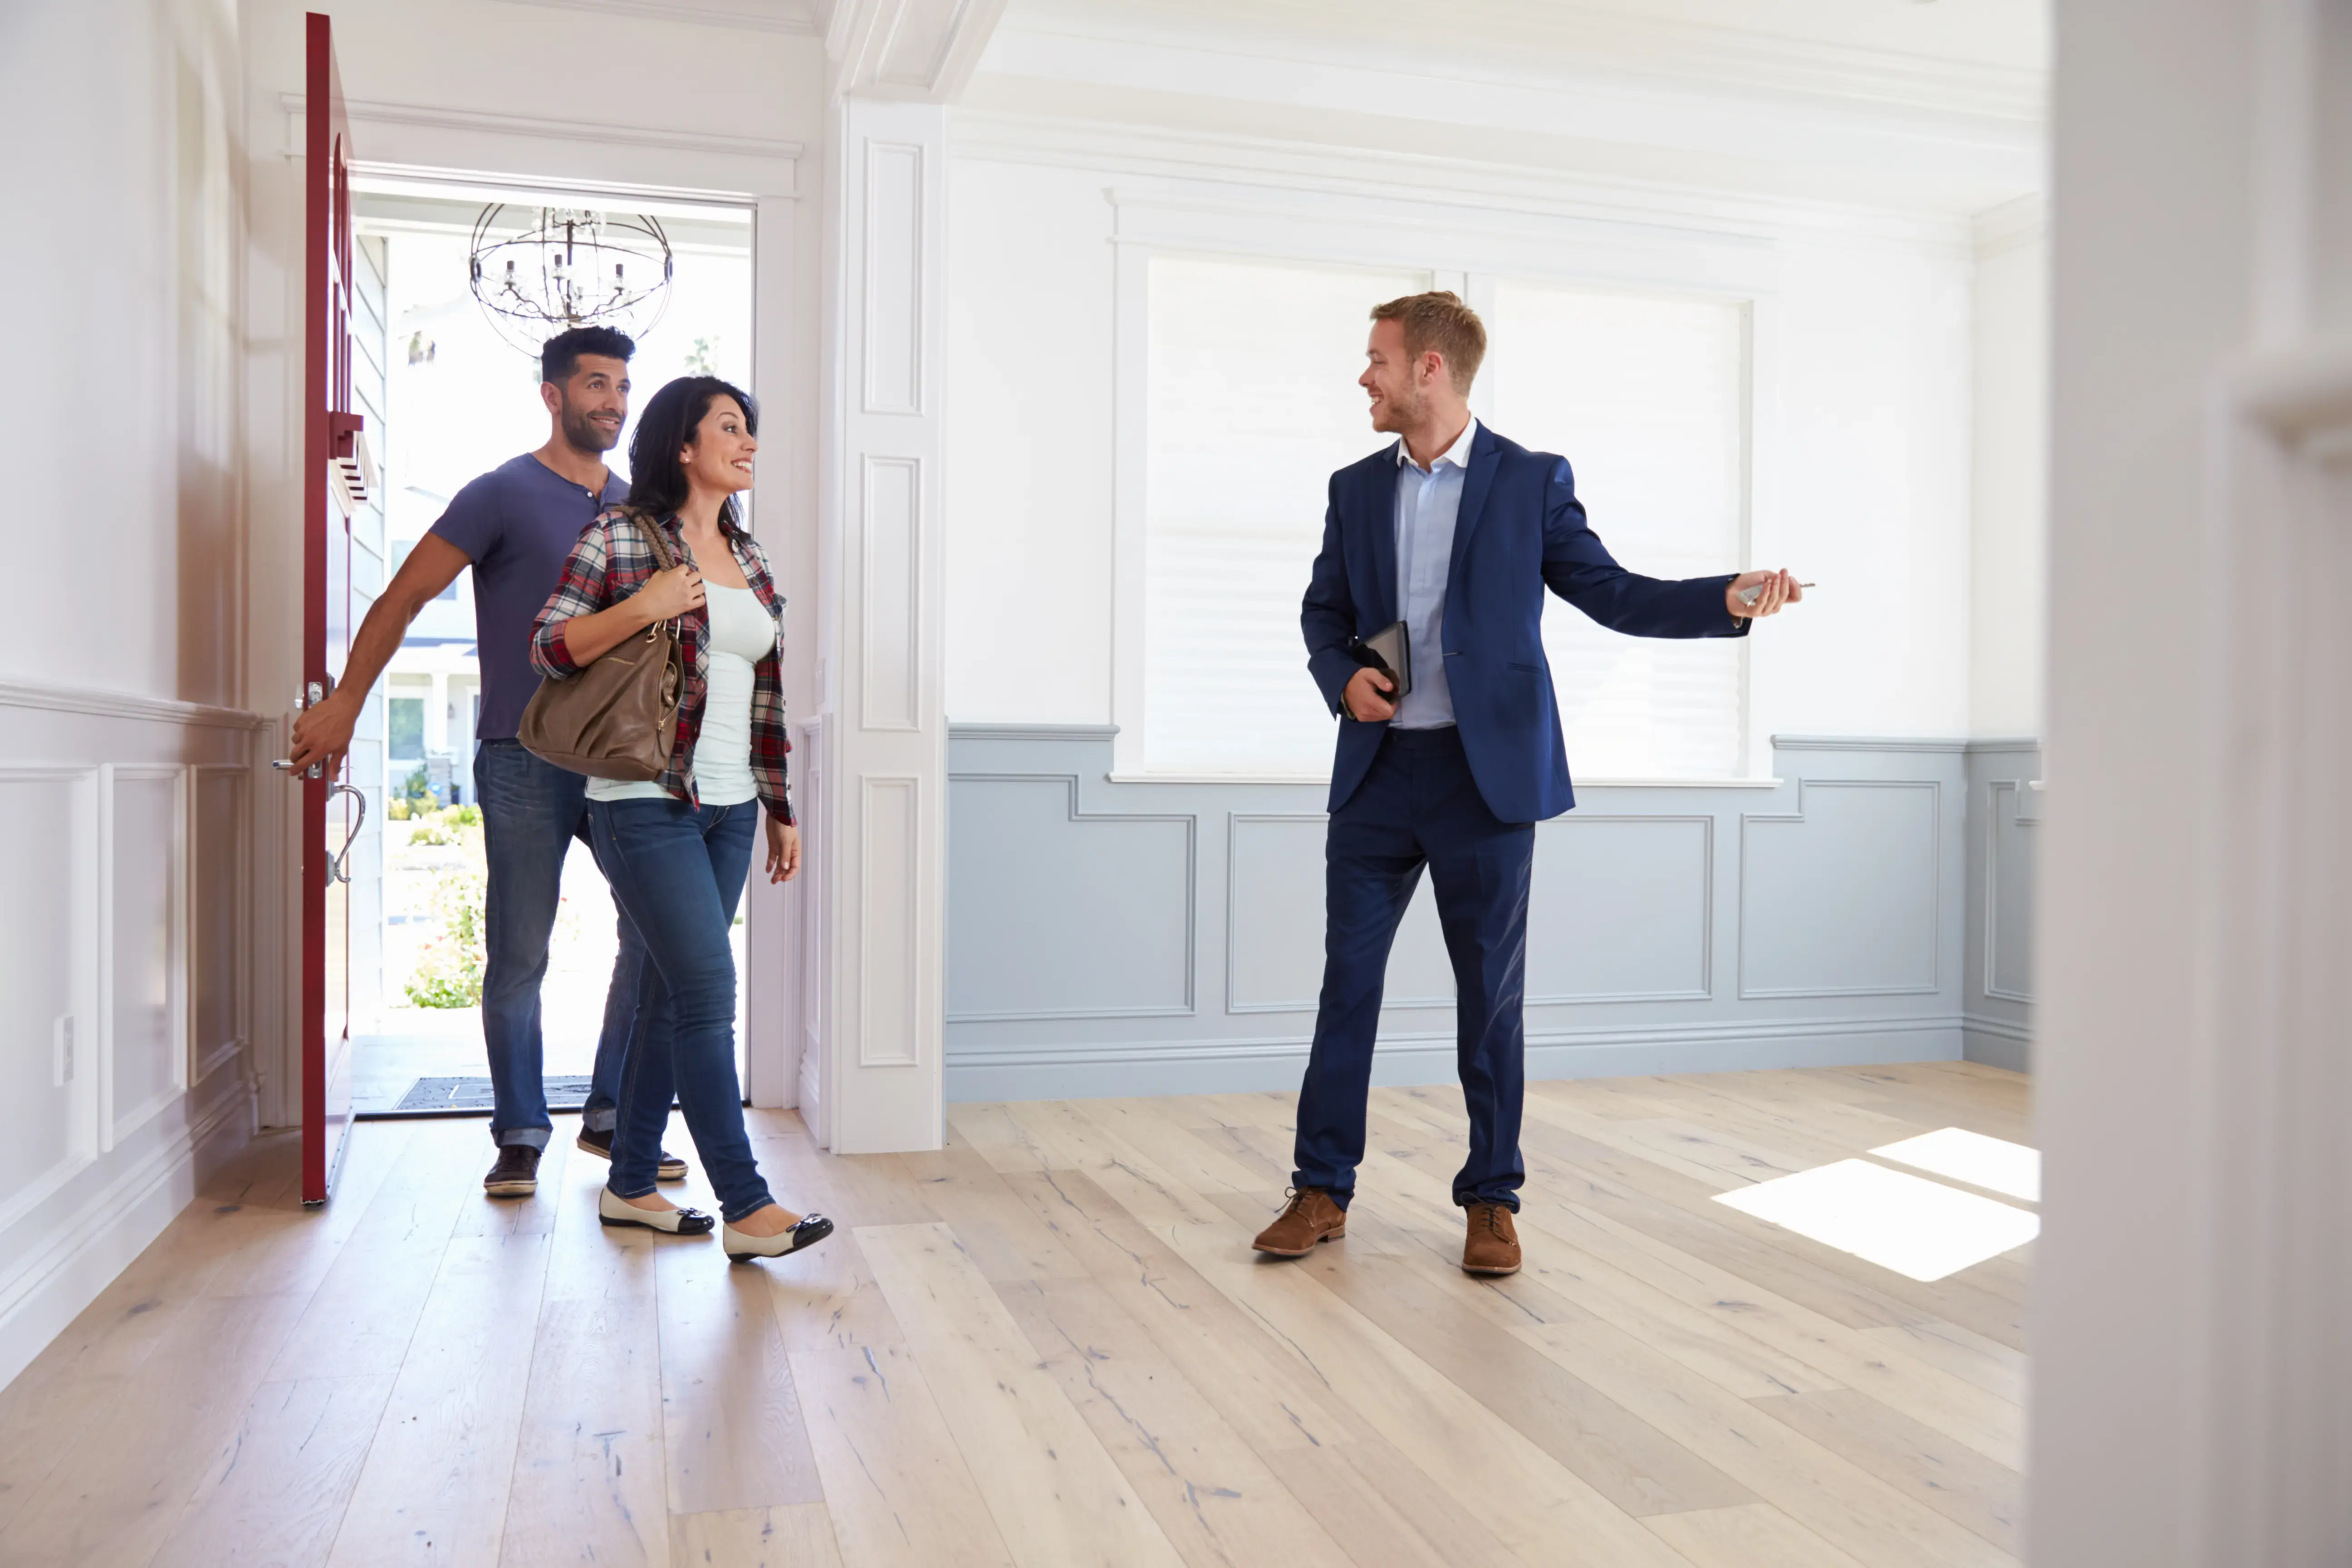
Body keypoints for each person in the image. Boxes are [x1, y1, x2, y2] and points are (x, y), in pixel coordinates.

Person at [1253, 291, 1803, 1276]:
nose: (1364, 377)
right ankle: (1322, 1189)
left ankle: (1492, 1200)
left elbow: (1615, 593)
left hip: (1487, 784)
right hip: (1378, 781)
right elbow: (1322, 612)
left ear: (1431, 368)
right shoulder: (1352, 489)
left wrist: (1725, 600)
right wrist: (1342, 678)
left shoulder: (1529, 482)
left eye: (1377, 359)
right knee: (1349, 989)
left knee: (1491, 1001)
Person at [287, 325, 688, 1199]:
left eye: (622, 388)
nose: (613, 403)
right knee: (518, 951)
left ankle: (615, 1116)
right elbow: (402, 597)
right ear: (553, 394)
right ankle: (518, 1132)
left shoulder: (636, 511)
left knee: (655, 937)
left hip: (623, 764)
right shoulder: (501, 493)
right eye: (595, 385)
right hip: (522, 753)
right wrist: (347, 702)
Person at [530, 375, 832, 1263]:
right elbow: (547, 645)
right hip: (643, 803)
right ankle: (745, 1204)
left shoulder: (754, 557)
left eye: (752, 429)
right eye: (731, 428)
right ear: (684, 446)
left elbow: (767, 695)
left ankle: (629, 1187)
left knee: (667, 996)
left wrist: (780, 810)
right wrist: (643, 605)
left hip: (733, 809)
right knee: (707, 994)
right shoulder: (621, 536)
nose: (749, 444)